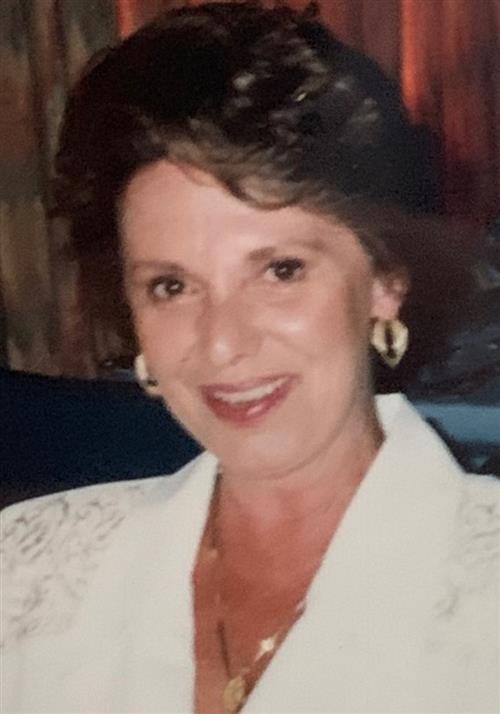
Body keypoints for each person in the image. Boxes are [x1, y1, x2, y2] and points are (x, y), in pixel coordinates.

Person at [1, 2, 498, 713]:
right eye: (171, 286)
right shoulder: (27, 570)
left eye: (280, 270)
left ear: (384, 280)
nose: (223, 342)